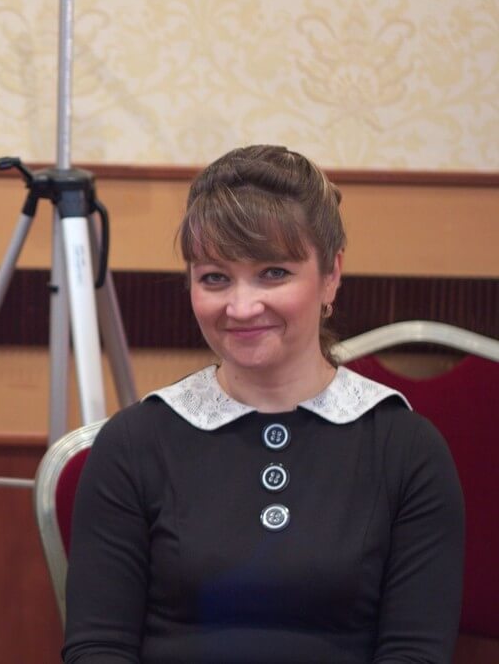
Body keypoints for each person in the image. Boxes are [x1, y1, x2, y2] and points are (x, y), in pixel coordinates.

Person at [62, 145, 465, 663]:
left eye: (273, 273)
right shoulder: (134, 443)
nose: (242, 307)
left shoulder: (406, 448)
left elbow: (415, 653)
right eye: (215, 277)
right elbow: (98, 647)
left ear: (331, 275)